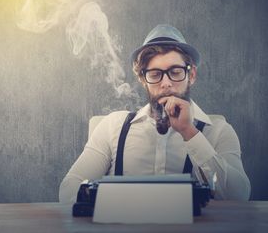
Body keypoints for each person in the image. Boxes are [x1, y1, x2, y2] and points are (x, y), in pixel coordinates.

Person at [59, 24, 251, 203]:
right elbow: (68, 190)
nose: (166, 83)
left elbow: (239, 196)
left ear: (191, 76)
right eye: (155, 74)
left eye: (175, 72)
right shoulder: (112, 127)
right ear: (143, 80)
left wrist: (189, 132)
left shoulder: (218, 131)